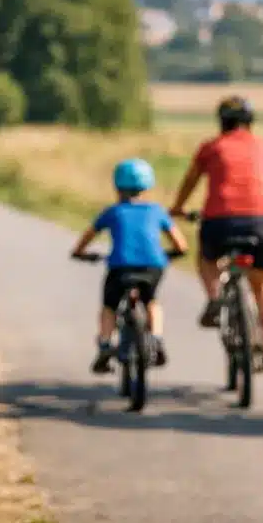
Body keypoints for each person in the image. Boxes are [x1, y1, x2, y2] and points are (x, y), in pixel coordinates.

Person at [169, 95, 263, 373]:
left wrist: (178, 208)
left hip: (219, 221)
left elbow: (189, 181)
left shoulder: (210, 147)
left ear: (221, 122)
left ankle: (215, 298)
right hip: (261, 222)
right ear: (250, 122)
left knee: (207, 260)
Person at [70, 158, 190, 374]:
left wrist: (80, 253)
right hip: (152, 267)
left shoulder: (113, 212)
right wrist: (173, 254)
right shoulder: (157, 211)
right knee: (151, 301)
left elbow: (86, 238)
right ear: (148, 186)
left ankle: (105, 346)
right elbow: (181, 244)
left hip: (120, 268)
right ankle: (157, 339)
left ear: (117, 186)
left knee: (109, 306)